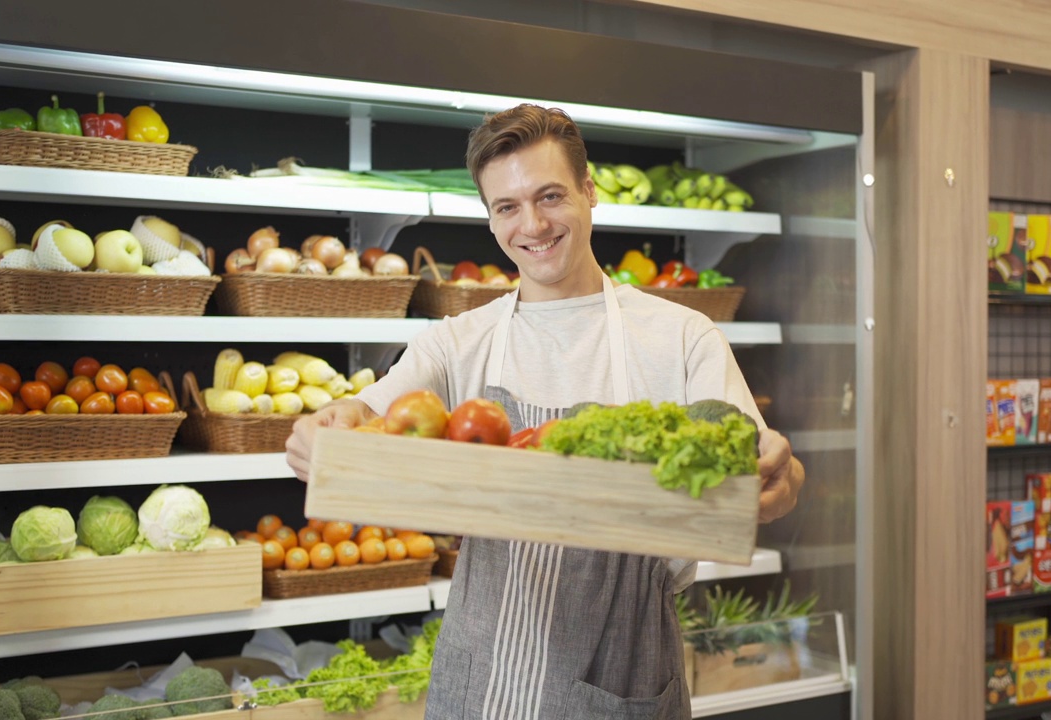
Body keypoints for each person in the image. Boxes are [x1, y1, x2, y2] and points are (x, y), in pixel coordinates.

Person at [286, 103, 805, 719]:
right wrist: (324, 430)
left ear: (589, 192)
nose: (531, 224)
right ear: (490, 218)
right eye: (507, 207)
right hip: (478, 671)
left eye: (550, 196)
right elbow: (363, 415)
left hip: (623, 666)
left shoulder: (682, 337)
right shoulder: (456, 343)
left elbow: (768, 473)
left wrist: (782, 476)